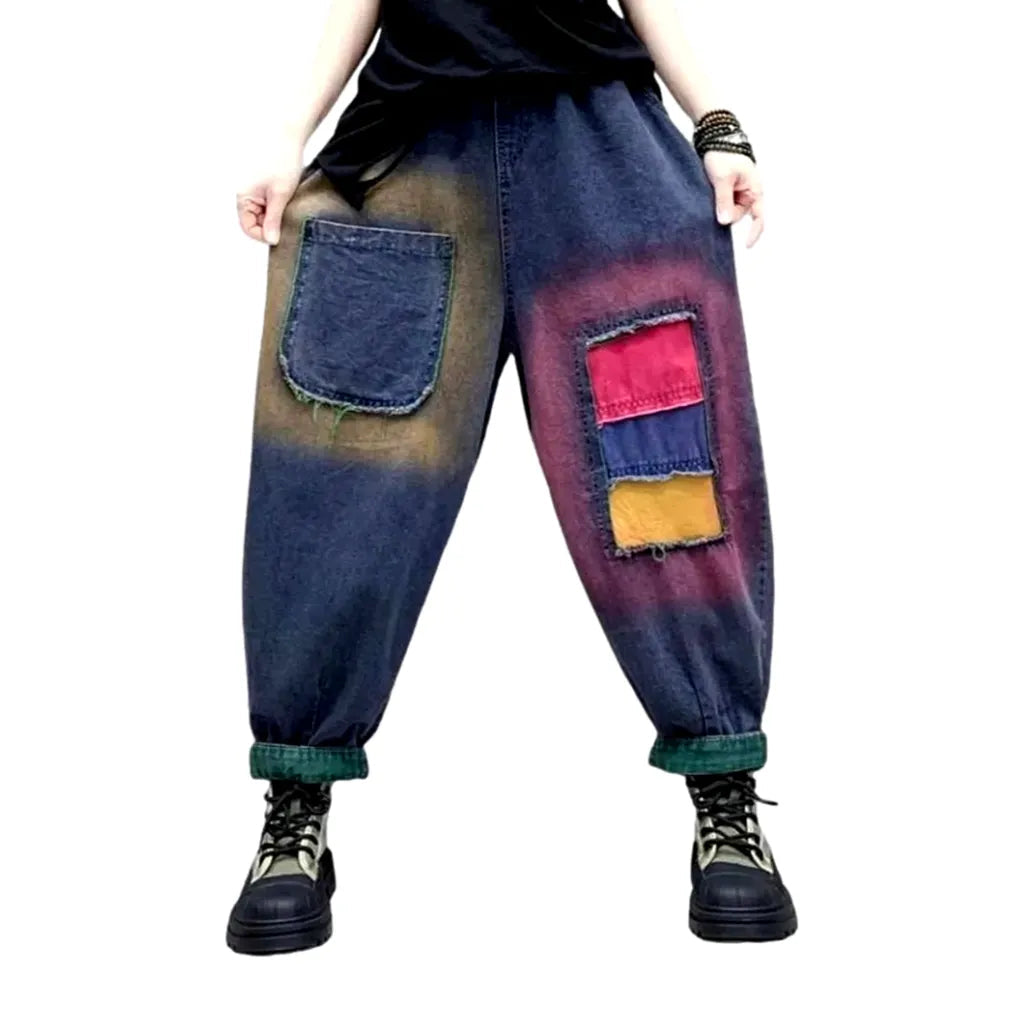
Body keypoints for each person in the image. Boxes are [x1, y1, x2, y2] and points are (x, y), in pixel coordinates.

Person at [227, 0, 796, 955]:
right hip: (412, 147)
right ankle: (296, 808)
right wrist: (288, 132)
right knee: (336, 490)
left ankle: (725, 793)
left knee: (663, 468)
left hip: (598, 150)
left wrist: (717, 123)